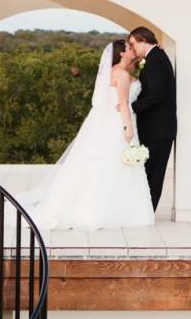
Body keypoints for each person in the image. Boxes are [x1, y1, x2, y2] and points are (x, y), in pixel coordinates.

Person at [12, 40, 155, 230]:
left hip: (106, 121)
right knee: (114, 163)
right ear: (121, 53)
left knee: (108, 164)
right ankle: (113, 210)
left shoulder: (115, 72)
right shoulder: (120, 74)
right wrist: (129, 129)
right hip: (117, 122)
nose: (132, 50)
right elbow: (122, 104)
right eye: (129, 48)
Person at [128, 26, 177, 211]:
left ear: (142, 40)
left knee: (154, 175)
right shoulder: (155, 57)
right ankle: (145, 211)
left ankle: (147, 212)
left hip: (158, 129)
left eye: (133, 44)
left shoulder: (155, 60)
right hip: (156, 128)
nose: (133, 48)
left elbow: (156, 94)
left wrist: (133, 107)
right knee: (150, 173)